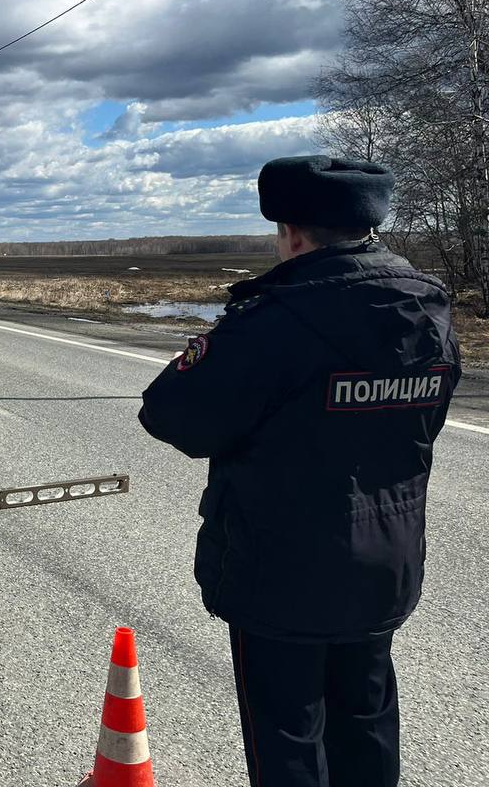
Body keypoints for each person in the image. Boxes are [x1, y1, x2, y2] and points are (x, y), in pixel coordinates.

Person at [138, 155, 461, 787]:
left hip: (281, 570)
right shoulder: (427, 308)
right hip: (385, 561)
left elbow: (172, 416)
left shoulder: (274, 318)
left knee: (287, 736)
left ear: (291, 232)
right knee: (365, 720)